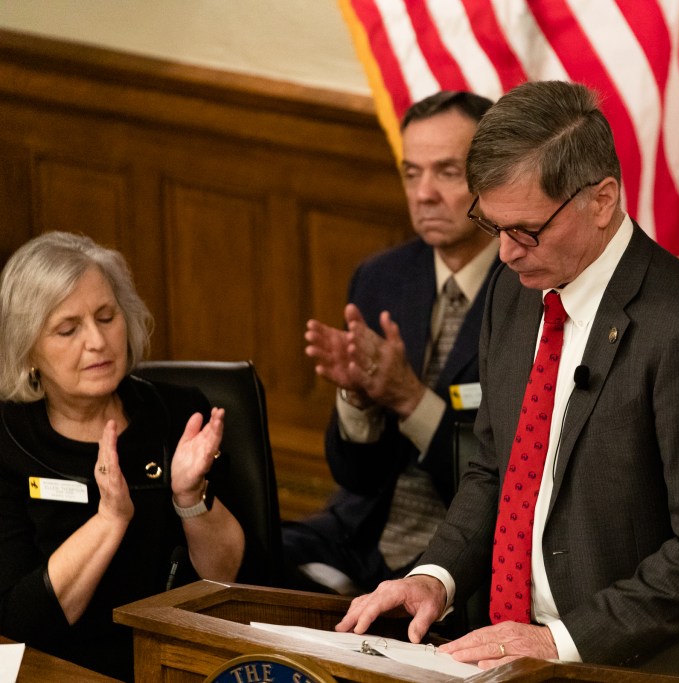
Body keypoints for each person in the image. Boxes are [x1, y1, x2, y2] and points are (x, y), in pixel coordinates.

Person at [337, 80, 679, 680]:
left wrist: (557, 643)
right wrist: (435, 575)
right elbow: (496, 468)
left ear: (602, 200)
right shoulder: (515, 299)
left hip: (633, 663)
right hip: (502, 652)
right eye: (494, 227)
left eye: (526, 230)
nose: (508, 254)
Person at [0, 231, 245, 681]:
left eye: (106, 317)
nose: (96, 341)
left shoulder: (178, 414)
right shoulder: (7, 441)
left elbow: (232, 582)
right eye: (68, 329)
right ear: (27, 348)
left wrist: (190, 497)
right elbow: (19, 624)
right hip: (58, 670)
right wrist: (109, 519)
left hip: (179, 664)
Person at [282, 91, 499, 595]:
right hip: (363, 528)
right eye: (410, 172)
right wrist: (358, 402)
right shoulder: (382, 277)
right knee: (234, 560)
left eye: (446, 172)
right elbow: (355, 476)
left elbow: (501, 486)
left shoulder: (528, 289)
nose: (423, 193)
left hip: (461, 548)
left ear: (491, 174)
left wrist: (409, 398)